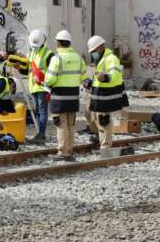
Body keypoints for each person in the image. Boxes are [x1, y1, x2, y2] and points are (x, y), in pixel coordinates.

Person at [44, 29, 88, 161]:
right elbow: (84, 77)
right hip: (73, 97)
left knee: (61, 124)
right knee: (70, 124)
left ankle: (63, 152)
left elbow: (50, 79)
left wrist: (44, 81)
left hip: (59, 97)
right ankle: (70, 150)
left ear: (58, 43)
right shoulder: (78, 58)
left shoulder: (57, 59)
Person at [85, 35, 127, 156]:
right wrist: (90, 82)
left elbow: (115, 74)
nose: (93, 53)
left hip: (108, 96)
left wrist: (106, 77)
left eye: (94, 51)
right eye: (91, 51)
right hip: (98, 95)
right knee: (90, 115)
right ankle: (99, 138)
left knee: (104, 121)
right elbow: (97, 77)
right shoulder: (100, 59)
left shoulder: (111, 58)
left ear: (101, 47)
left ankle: (105, 148)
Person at [26, 29, 53, 144]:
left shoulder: (49, 54)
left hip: (42, 87)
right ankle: (39, 132)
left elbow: (53, 71)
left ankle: (41, 133)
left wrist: (44, 81)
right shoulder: (31, 53)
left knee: (42, 110)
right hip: (33, 87)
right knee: (36, 110)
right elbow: (27, 69)